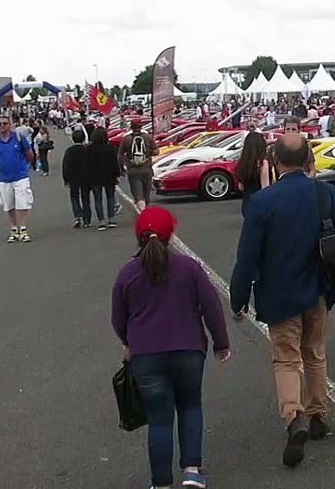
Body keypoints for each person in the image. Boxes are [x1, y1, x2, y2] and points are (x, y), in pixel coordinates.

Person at [228, 133, 335, 468]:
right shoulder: (327, 195)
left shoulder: (263, 202)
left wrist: (238, 297)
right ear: (309, 161)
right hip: (318, 290)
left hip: (279, 293)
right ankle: (318, 414)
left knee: (286, 359)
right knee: (315, 353)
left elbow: (247, 257)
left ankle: (292, 415)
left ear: (276, 162)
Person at [112, 206, 231, 489]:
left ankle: (162, 482)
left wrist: (128, 341)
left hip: (147, 356)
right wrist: (221, 342)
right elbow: (211, 306)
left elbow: (118, 318)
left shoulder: (128, 273)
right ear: (171, 234)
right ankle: (192, 470)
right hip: (188, 349)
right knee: (190, 405)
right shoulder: (189, 268)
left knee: (159, 419)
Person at [0, 114, 37, 243]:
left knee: (23, 202)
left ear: (10, 125)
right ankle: (14, 228)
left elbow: (29, 154)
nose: (2, 126)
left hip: (20, 176)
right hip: (3, 178)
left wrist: (22, 166)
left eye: (4, 123)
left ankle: (23, 228)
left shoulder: (19, 138)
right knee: (8, 204)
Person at [118, 118, 159, 213]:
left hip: (133, 170)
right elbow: (157, 151)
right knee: (146, 193)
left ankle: (142, 211)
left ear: (131, 127)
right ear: (141, 126)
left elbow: (120, 154)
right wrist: (148, 154)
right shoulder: (148, 137)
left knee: (138, 194)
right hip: (146, 169)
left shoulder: (126, 139)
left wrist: (121, 168)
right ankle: (146, 211)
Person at [88, 126, 122, 231]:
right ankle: (111, 219)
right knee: (110, 197)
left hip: (95, 176)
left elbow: (87, 164)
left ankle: (101, 221)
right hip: (109, 175)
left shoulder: (89, 149)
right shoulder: (111, 149)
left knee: (98, 199)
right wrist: (117, 174)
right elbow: (115, 163)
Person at [234, 131, 272, 215]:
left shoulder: (242, 163)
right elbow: (265, 188)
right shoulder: (262, 163)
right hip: (259, 203)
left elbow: (241, 187)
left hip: (247, 202)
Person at [62, 129, 92, 228]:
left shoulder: (69, 151)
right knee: (85, 198)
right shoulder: (86, 150)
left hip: (73, 177)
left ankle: (78, 216)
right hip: (86, 176)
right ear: (83, 139)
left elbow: (65, 165)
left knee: (74, 197)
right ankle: (87, 220)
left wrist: (65, 178)